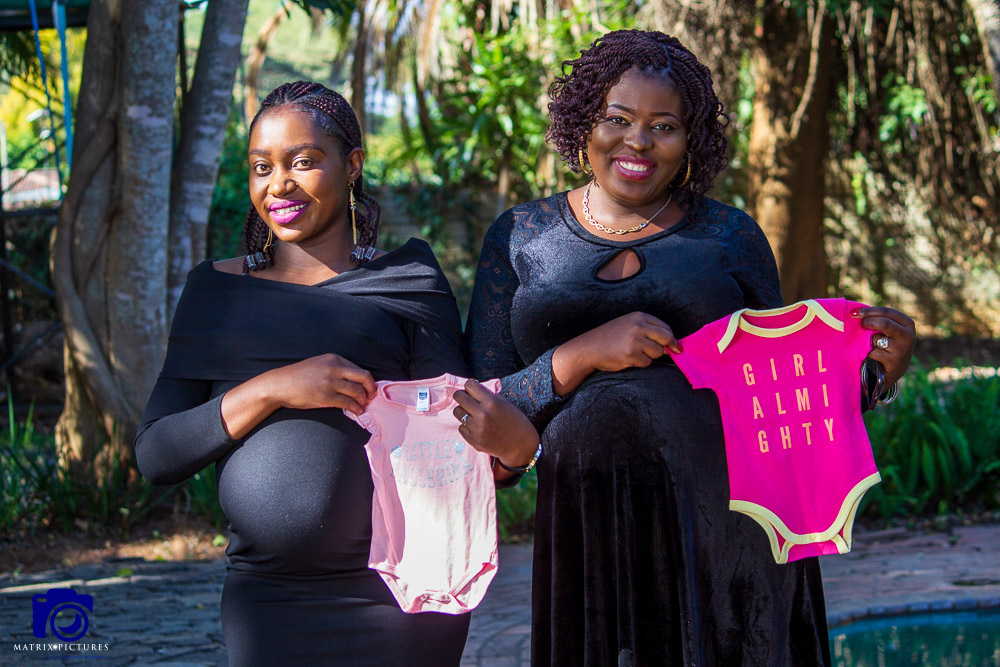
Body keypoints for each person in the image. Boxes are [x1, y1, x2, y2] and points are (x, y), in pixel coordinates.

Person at [464, 30, 916, 666]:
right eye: (617, 118)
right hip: (591, 527)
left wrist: (878, 375)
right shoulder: (520, 235)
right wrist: (582, 354)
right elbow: (480, 408)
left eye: (664, 126)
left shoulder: (730, 236)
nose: (638, 141)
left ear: (691, 140)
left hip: (729, 530)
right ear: (583, 122)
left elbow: (781, 397)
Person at [134, 81, 535, 666]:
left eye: (302, 161)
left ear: (352, 165)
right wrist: (273, 388)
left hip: (401, 598)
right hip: (268, 603)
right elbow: (156, 455)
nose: (278, 184)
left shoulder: (409, 281)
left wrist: (518, 457)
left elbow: (454, 441)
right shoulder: (213, 292)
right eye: (262, 167)